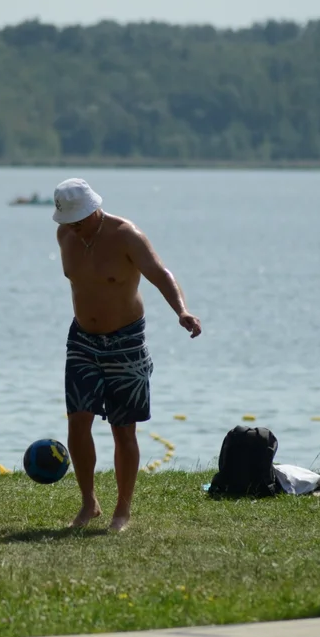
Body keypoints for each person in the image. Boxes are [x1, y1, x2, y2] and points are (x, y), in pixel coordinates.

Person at [53, 178, 201, 532]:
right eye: (67, 219)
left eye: (78, 218)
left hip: (126, 342)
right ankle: (89, 502)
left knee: (124, 430)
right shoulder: (65, 236)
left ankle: (123, 509)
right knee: (78, 421)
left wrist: (181, 311)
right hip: (82, 340)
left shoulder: (126, 235)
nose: (73, 226)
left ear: (94, 209)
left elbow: (160, 273)